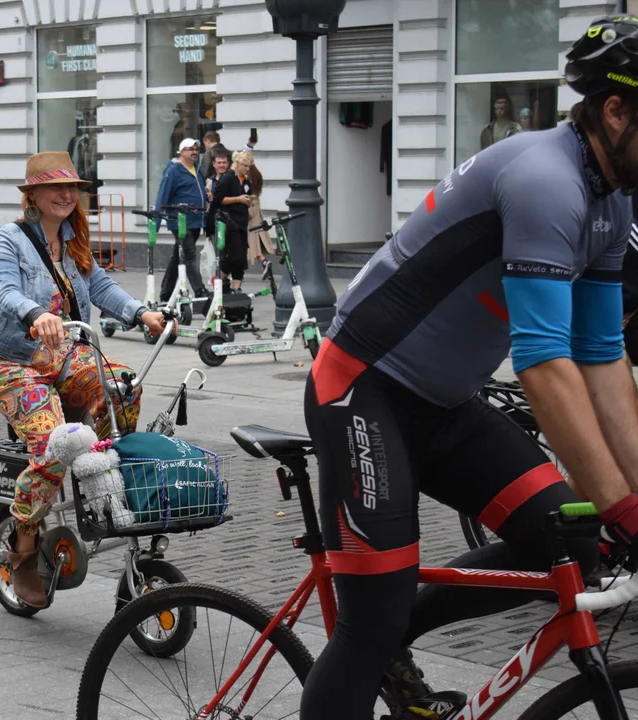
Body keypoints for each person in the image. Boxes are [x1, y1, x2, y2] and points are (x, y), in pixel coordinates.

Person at [299, 17, 638, 720]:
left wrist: (629, 500)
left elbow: (602, 357)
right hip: (360, 390)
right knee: (369, 616)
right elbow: (543, 363)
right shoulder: (546, 179)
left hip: (443, 403)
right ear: (615, 109)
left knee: (572, 537)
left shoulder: (612, 201)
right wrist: (624, 502)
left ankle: (400, 640)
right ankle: (381, 638)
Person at [0, 151, 168, 609]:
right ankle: (22, 551)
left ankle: (100, 477)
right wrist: (36, 314)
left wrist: (142, 312)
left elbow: (100, 287)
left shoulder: (72, 239)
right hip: (13, 363)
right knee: (52, 447)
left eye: (73, 188)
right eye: (55, 188)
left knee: (122, 383)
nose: (66, 195)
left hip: (64, 354)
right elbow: (5, 291)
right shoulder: (8, 241)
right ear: (33, 195)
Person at [153, 138, 208, 303]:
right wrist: (155, 223)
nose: (195, 152)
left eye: (196, 149)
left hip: (196, 220)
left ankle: (165, 294)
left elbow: (198, 190)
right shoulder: (174, 171)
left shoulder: (196, 170)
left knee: (178, 256)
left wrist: (206, 196)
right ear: (182, 151)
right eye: (190, 149)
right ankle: (200, 291)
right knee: (190, 254)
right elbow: (163, 194)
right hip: (180, 221)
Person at [211, 150, 253, 292]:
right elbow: (218, 200)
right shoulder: (227, 178)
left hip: (242, 222)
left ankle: (237, 287)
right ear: (238, 164)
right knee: (234, 256)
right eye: (245, 166)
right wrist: (238, 199)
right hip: (230, 222)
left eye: (249, 167)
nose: (247, 169)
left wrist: (248, 201)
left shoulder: (245, 180)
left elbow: (247, 194)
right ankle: (219, 277)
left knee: (241, 259)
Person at [242, 152, 274, 269]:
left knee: (247, 240)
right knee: (255, 239)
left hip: (248, 209)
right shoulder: (257, 175)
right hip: (256, 209)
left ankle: (262, 262)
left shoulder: (245, 177)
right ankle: (264, 262)